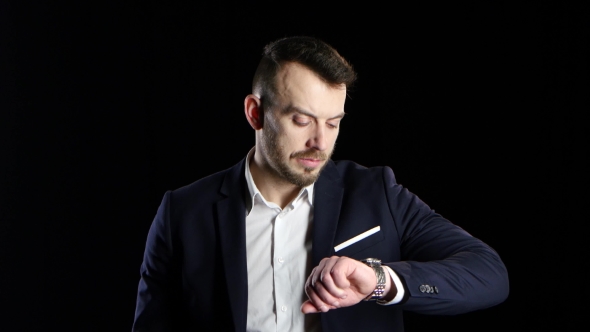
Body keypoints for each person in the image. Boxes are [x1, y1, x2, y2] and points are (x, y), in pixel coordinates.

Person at [132, 35, 509, 332]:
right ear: (255, 113)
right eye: (302, 120)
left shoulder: (378, 193)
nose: (320, 142)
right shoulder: (183, 211)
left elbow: (489, 275)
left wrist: (380, 281)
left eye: (333, 122)